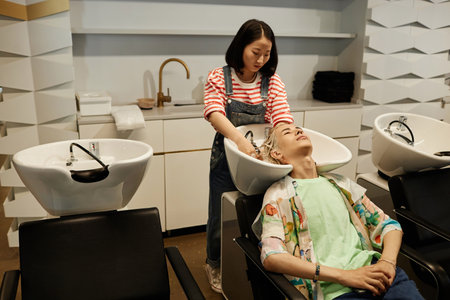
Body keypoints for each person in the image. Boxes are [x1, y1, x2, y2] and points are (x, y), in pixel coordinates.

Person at [252, 123, 424, 300]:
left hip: (378, 273)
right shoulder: (279, 195)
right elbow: (272, 256)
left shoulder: (341, 184)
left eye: (299, 129)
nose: (297, 131)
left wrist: (387, 262)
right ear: (277, 154)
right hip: (336, 289)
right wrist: (345, 276)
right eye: (287, 132)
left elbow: (388, 225)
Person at [203, 19, 294, 293]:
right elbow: (214, 113)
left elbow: (281, 116)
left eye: (267, 54)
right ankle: (214, 263)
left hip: (261, 158)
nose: (261, 59)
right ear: (241, 46)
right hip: (228, 157)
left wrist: (288, 139)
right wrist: (240, 140)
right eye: (256, 52)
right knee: (220, 215)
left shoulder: (272, 81)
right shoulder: (220, 77)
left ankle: (257, 264)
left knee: (262, 213)